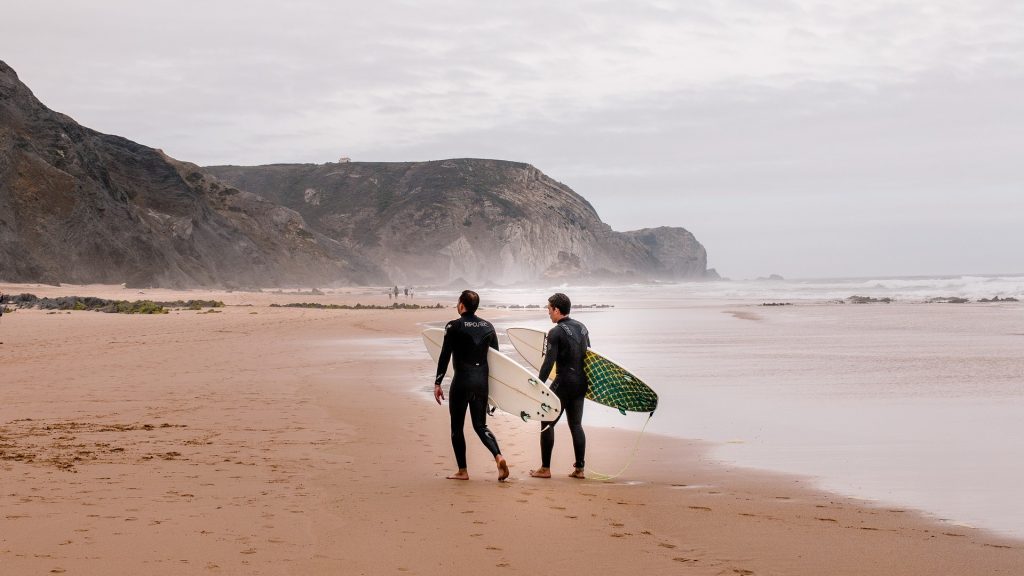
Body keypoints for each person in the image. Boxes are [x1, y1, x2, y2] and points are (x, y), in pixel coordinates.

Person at [434, 290, 509, 481]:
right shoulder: (488, 327)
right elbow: (497, 361)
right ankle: (498, 457)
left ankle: (463, 471)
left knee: (457, 428)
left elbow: (444, 356)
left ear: (461, 305)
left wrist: (438, 382)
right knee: (480, 425)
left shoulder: (453, 326)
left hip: (462, 382)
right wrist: (495, 394)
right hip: (481, 383)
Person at [531, 292, 590, 479]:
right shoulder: (582, 328)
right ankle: (580, 469)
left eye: (549, 309)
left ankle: (545, 468)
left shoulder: (555, 332)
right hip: (581, 383)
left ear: (557, 309)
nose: (548, 312)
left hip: (563, 382)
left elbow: (549, 363)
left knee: (547, 423)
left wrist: (538, 385)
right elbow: (590, 358)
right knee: (576, 424)